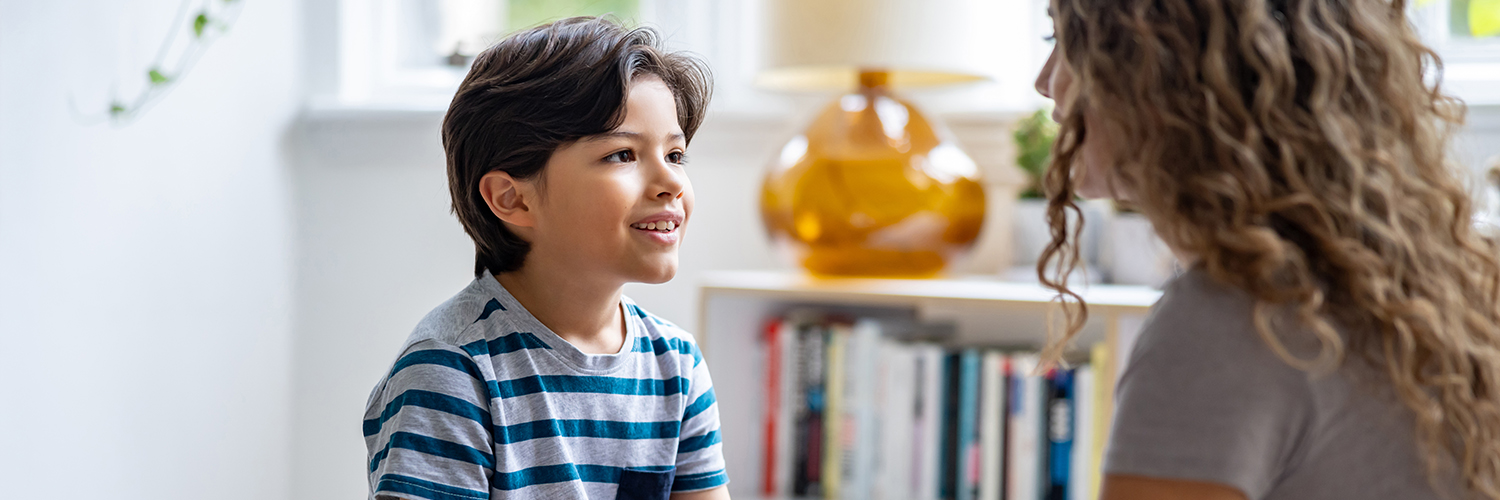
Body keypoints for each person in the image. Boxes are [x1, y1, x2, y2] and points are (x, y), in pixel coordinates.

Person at [1032, 0, 1500, 499]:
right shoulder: (1418, 286)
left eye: (1064, 44)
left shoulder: (1230, 317)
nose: (1044, 81)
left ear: (1159, 68)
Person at [362, 17, 730, 500]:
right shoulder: (451, 370)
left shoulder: (676, 367)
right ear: (512, 199)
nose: (672, 183)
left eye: (676, 155)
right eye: (622, 154)